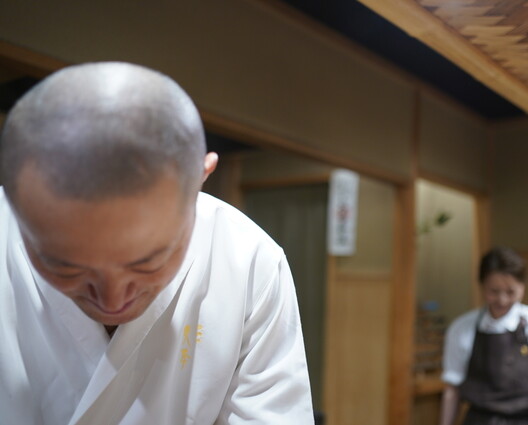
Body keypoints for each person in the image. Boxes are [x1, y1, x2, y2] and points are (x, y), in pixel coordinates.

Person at [0, 62, 314, 424]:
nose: (113, 300)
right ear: (16, 200)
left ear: (199, 178)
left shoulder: (248, 260)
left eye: (147, 262)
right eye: (66, 266)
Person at [438, 247, 528, 425]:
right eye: (494, 291)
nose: (502, 300)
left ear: (523, 286)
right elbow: (452, 389)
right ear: (482, 285)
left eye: (511, 292)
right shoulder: (462, 329)